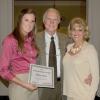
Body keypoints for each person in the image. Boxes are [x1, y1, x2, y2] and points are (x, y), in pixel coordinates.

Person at [0, 8, 39, 100]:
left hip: (33, 83)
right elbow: (2, 70)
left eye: (32, 21)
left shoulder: (31, 39)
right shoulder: (10, 40)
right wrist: (24, 84)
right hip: (20, 84)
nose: (29, 24)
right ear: (20, 21)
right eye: (26, 20)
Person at [36, 8, 70, 100]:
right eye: (48, 19)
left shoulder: (67, 39)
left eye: (55, 19)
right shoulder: (34, 39)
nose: (52, 22)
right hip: (42, 86)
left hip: (61, 85)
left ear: (59, 22)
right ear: (43, 21)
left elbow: (79, 51)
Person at [63, 17, 99, 100]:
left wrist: (90, 97)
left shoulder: (90, 49)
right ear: (70, 31)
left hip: (84, 95)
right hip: (70, 94)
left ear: (84, 32)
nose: (76, 32)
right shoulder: (69, 47)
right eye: (74, 29)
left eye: (80, 30)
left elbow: (96, 77)